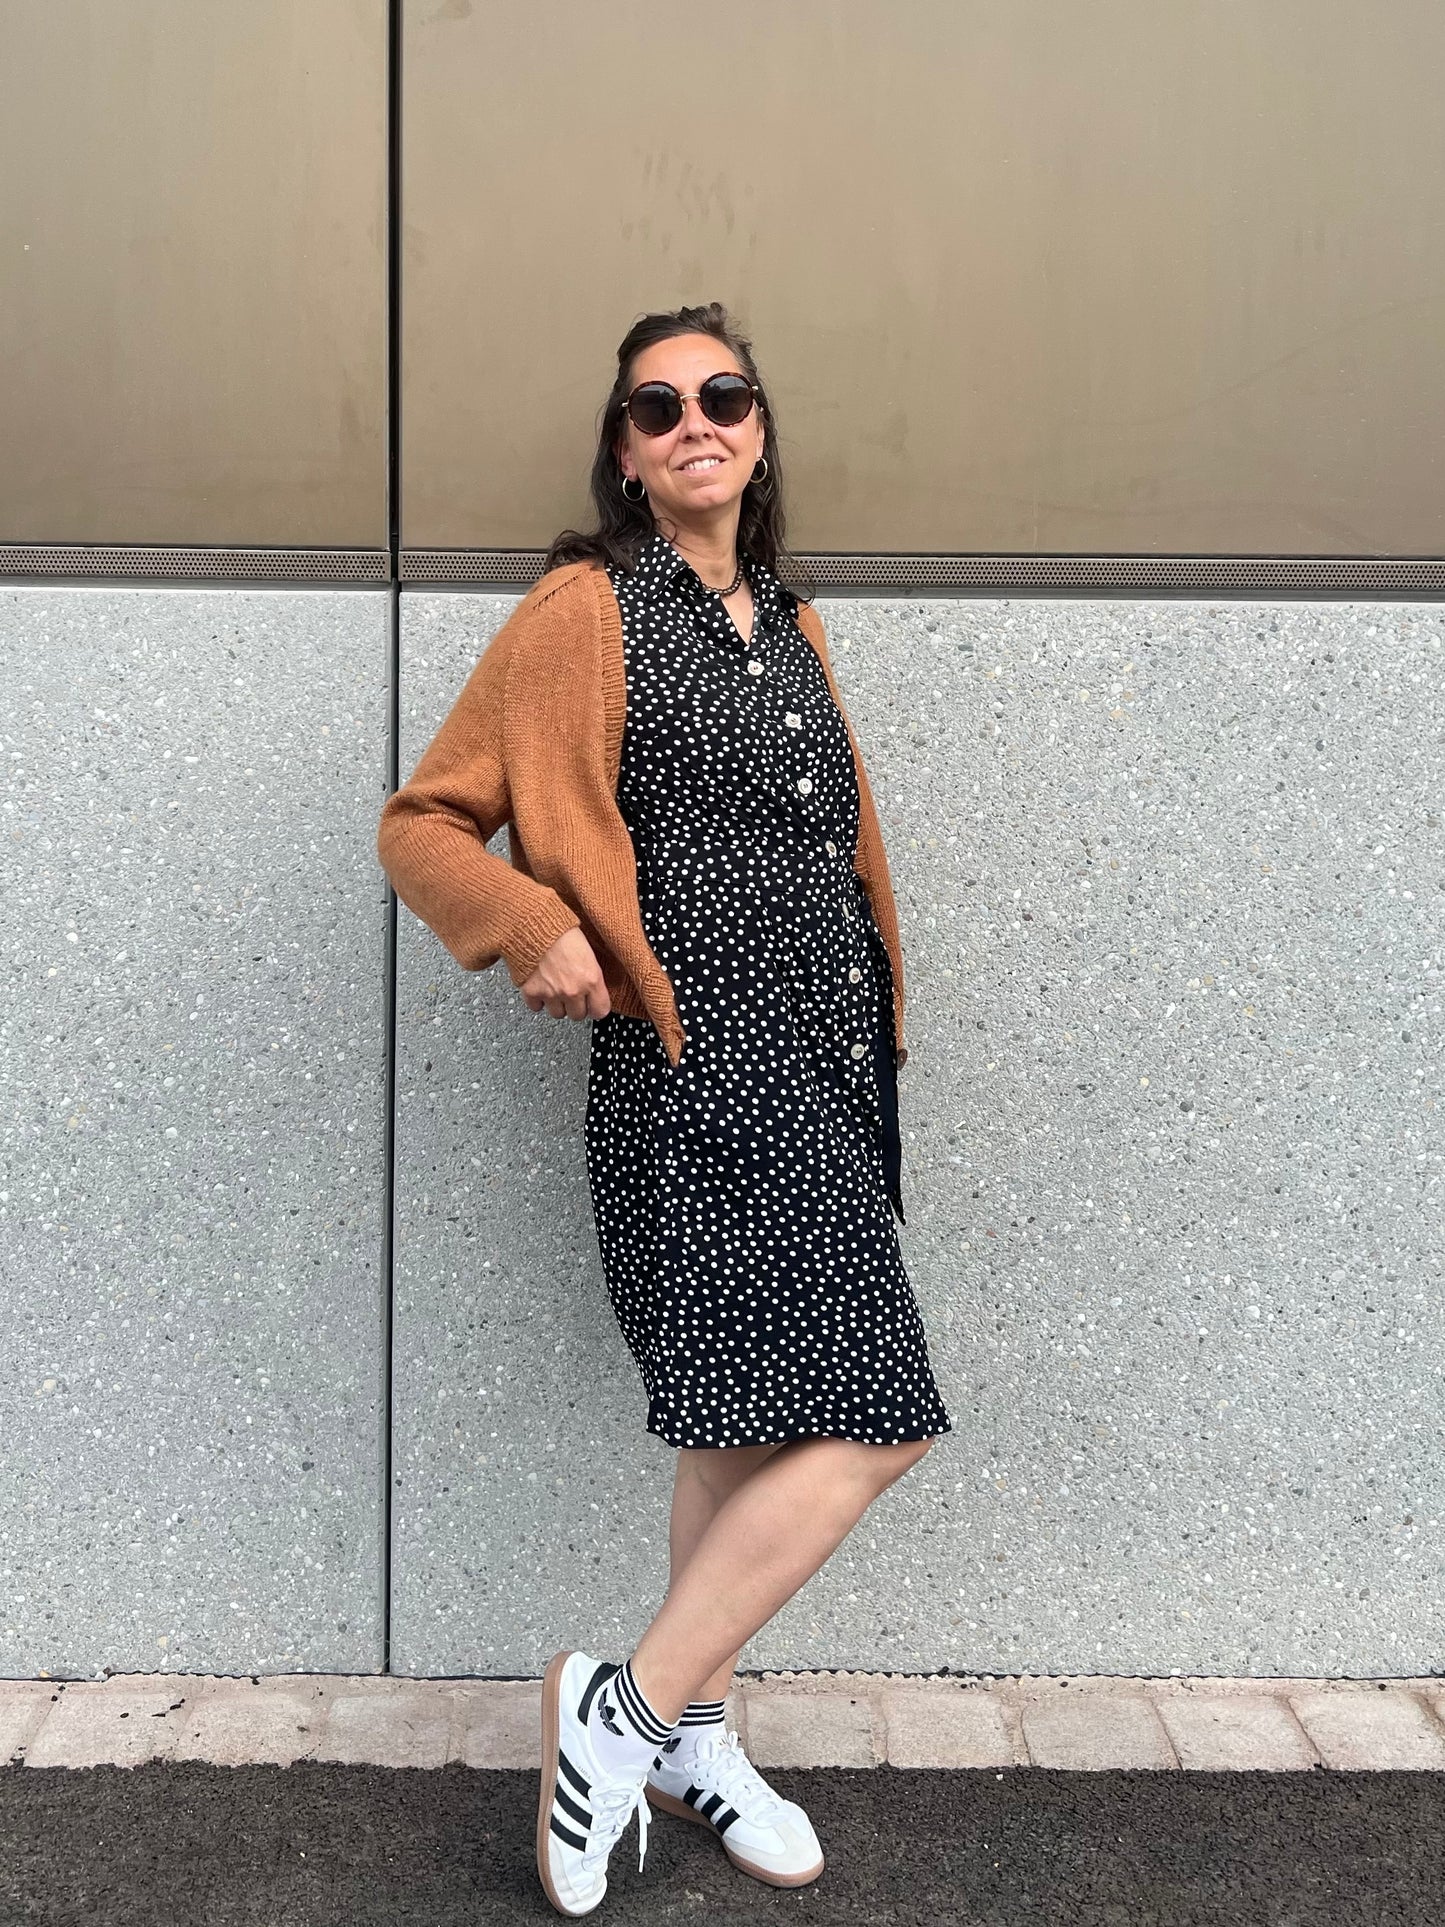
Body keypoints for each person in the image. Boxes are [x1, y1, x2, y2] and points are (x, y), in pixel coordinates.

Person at [377, 300, 952, 1918]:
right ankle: (617, 1720)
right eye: (657, 406)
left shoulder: (792, 618)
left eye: (724, 395)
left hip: (824, 1070)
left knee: (743, 1423)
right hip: (696, 1072)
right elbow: (423, 822)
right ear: (625, 456)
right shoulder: (585, 609)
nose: (695, 420)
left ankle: (687, 1735)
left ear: (757, 435)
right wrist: (529, 926)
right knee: (879, 1419)